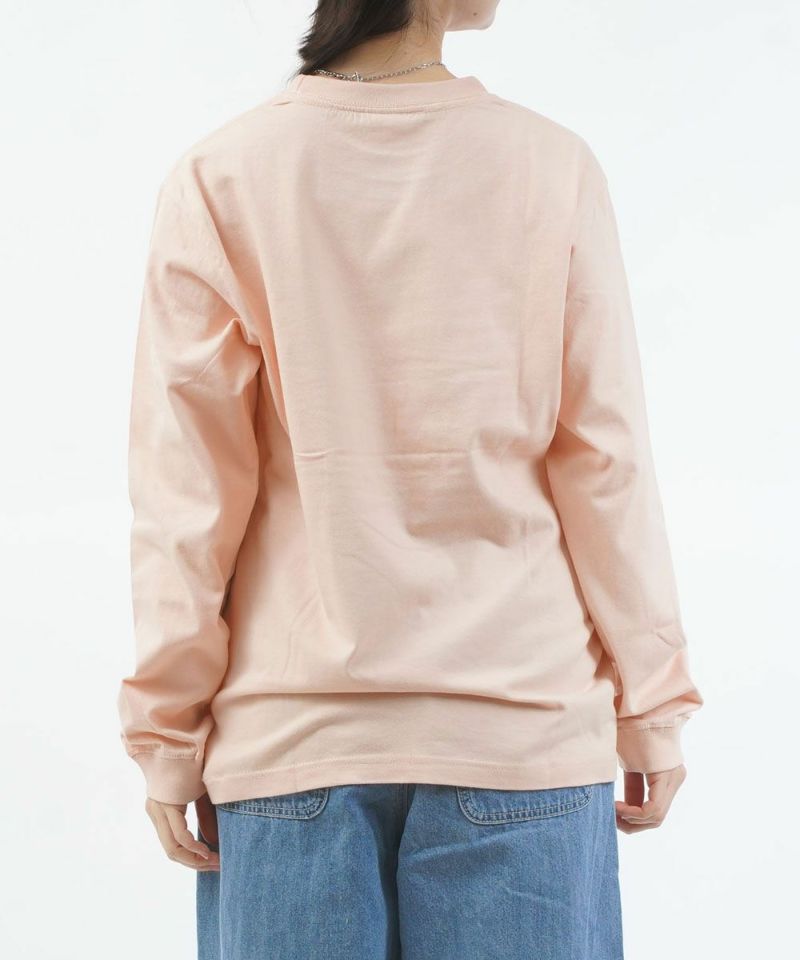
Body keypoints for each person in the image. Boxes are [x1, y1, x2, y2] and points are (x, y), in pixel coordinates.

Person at [117, 1, 704, 957]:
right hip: (521, 735)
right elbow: (606, 464)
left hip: (290, 749)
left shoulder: (224, 175)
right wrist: (652, 707)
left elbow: (187, 496)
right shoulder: (549, 166)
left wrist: (168, 735)